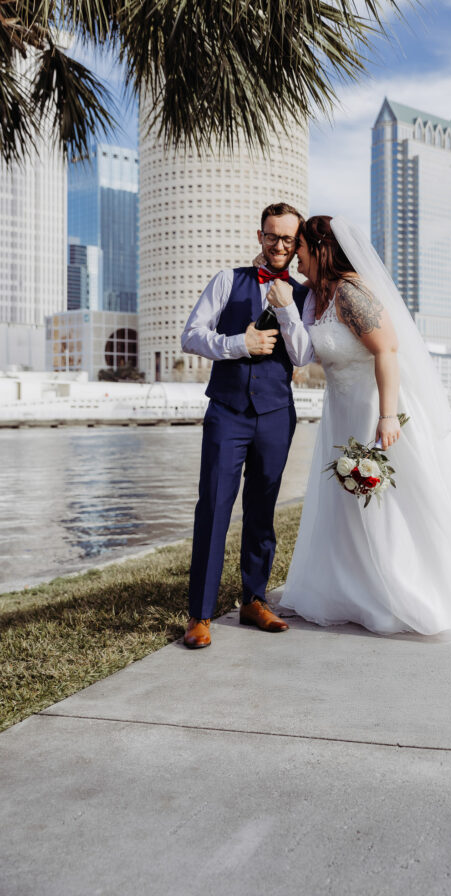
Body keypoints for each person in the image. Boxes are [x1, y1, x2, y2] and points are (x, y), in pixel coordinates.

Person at [266, 215, 451, 641]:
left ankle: (401, 589)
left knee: (387, 504)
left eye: (301, 249)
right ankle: (352, 589)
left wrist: (385, 415)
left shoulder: (350, 292)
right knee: (347, 504)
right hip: (340, 411)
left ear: (321, 249)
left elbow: (388, 350)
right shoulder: (316, 297)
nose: (296, 257)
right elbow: (301, 337)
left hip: (373, 409)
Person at [180, 202, 312, 648]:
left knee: (263, 509)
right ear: (260, 236)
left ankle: (254, 599)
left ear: (297, 244)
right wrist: (240, 342)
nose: (279, 245)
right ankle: (200, 614)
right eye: (272, 236)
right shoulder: (227, 280)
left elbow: (303, 355)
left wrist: (288, 309)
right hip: (227, 411)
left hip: (276, 414)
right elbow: (191, 335)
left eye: (288, 239)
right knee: (214, 507)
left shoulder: (302, 292)